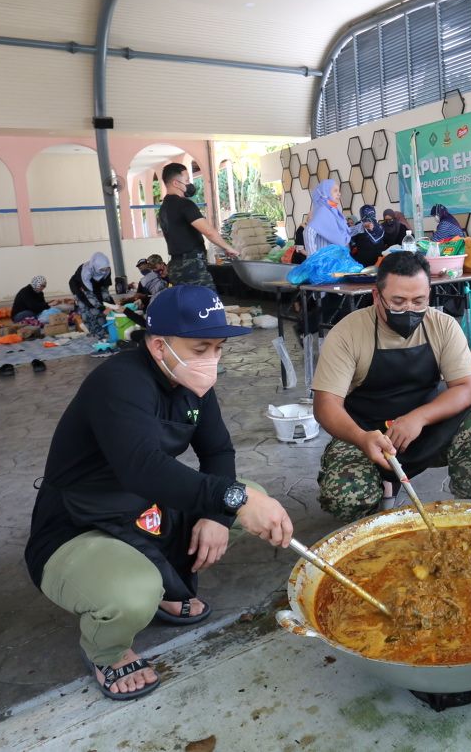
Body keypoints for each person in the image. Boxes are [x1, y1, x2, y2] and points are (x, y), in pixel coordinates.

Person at [24, 285, 295, 700]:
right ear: (157, 345)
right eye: (201, 348)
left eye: (218, 348)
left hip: (144, 508)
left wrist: (218, 515)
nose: (212, 361)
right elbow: (142, 469)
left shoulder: (190, 383)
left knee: (250, 496)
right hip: (80, 524)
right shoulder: (117, 382)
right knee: (134, 593)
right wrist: (234, 500)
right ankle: (107, 650)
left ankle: (165, 585)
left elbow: (218, 450)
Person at [311, 251, 471, 521]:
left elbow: (467, 389)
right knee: (345, 497)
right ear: (377, 296)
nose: (409, 309)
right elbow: (325, 405)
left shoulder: (443, 327)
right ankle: (373, 513)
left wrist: (418, 418)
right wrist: (362, 437)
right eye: (398, 302)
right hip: (366, 434)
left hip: (425, 430)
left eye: (418, 301)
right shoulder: (348, 333)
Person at [158, 163, 239, 289]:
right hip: (191, 265)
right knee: (209, 304)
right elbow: (209, 232)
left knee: (188, 305)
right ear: (176, 183)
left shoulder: (163, 208)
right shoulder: (184, 204)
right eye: (187, 180)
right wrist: (228, 248)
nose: (190, 184)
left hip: (174, 266)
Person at [69, 253, 116, 342]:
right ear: (95, 267)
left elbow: (105, 291)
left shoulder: (107, 270)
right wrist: (102, 308)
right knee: (87, 308)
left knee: (101, 306)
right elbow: (89, 296)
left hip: (96, 285)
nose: (103, 271)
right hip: (79, 287)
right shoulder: (85, 272)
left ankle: (104, 332)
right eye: (101, 269)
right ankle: (94, 333)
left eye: (105, 269)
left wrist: (110, 305)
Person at [301, 179, 350, 256]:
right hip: (326, 263)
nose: (339, 194)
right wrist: (314, 258)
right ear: (325, 192)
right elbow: (308, 232)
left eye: (339, 191)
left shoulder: (333, 211)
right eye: (335, 191)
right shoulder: (323, 210)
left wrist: (361, 227)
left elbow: (343, 233)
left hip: (335, 260)